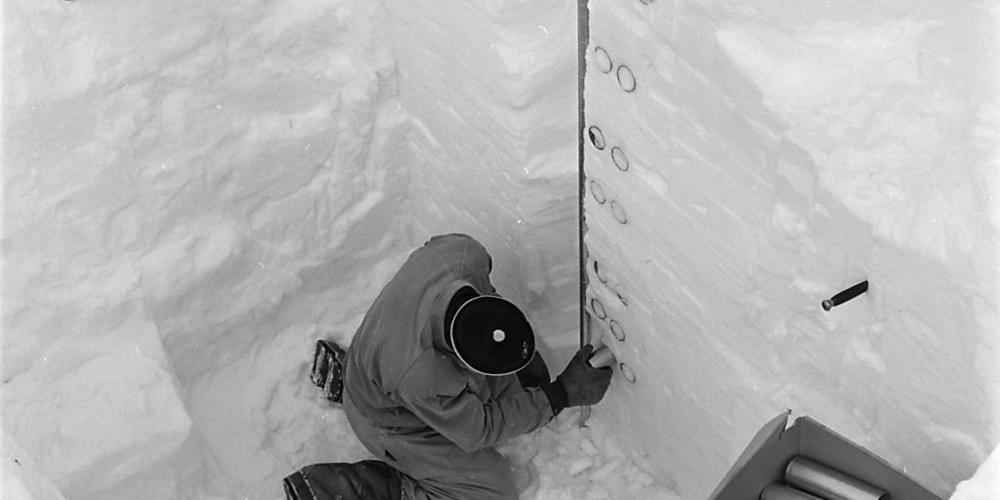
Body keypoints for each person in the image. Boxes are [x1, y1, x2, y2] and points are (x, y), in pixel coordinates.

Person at [284, 233, 613, 500]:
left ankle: (368, 380)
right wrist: (562, 394)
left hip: (380, 358)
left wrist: (532, 379)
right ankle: (367, 488)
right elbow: (478, 430)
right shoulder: (424, 377)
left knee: (525, 388)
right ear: (456, 362)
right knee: (490, 491)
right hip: (391, 423)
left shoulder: (463, 255)